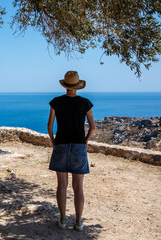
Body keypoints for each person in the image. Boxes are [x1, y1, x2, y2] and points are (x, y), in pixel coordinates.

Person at [47, 71, 95, 231]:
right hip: (79, 146)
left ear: (65, 85)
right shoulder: (85, 103)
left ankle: (62, 220)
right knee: (78, 187)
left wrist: (54, 141)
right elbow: (93, 127)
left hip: (60, 144)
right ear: (77, 86)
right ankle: (79, 222)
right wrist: (85, 141)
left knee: (61, 185)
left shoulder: (56, 102)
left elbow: (49, 125)